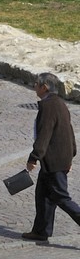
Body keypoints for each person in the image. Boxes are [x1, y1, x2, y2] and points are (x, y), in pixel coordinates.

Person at [22, 71, 80, 243]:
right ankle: (41, 231)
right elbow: (69, 131)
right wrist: (71, 155)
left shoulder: (48, 107)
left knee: (61, 197)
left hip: (54, 161)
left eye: (36, 84)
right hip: (56, 160)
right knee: (43, 195)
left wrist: (33, 157)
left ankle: (42, 230)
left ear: (44, 87)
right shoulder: (60, 103)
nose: (34, 86)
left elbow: (44, 134)